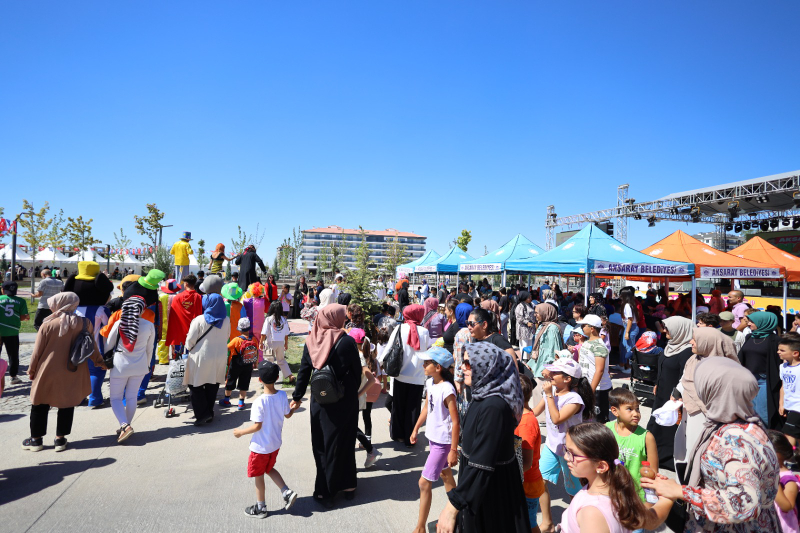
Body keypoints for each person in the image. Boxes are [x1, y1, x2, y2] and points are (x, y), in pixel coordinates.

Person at [642, 356, 781, 532]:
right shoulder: (743, 424)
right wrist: (673, 488)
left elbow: (744, 503)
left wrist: (681, 492)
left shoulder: (735, 439)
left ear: (713, 391)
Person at [435, 342, 529, 533]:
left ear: (489, 367)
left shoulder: (494, 407)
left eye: (469, 364)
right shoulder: (482, 396)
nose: (463, 367)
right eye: (463, 362)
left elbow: (482, 464)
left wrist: (453, 506)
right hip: (479, 488)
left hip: (492, 494)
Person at [291, 304, 361, 508]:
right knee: (344, 442)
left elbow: (304, 372)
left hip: (320, 401)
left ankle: (325, 491)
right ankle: (348, 486)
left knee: (323, 445)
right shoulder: (346, 342)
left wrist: (297, 397)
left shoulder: (311, 340)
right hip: (344, 400)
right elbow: (356, 375)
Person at [24, 293, 106, 452]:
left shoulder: (48, 324)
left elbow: (37, 352)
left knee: (39, 403)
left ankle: (36, 440)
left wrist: (32, 370)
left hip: (47, 370)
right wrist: (99, 362)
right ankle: (60, 440)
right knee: (67, 403)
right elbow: (92, 346)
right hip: (72, 369)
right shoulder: (85, 323)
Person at [560, 423, 674, 533]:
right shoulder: (618, 490)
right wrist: (667, 498)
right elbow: (650, 521)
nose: (565, 457)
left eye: (572, 453)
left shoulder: (592, 513)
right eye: (566, 450)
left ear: (601, 466)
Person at [533, 357, 595, 533]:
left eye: (555, 372)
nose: (550, 374)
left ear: (567, 379)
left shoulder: (574, 399)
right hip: (553, 448)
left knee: (574, 490)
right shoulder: (552, 392)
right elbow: (535, 412)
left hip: (571, 451)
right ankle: (548, 522)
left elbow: (557, 419)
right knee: (539, 482)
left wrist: (549, 396)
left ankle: (579, 524)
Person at [233, 360, 299, 519]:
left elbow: (257, 427)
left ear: (260, 380)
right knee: (268, 468)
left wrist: (241, 432)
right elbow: (287, 415)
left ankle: (260, 508)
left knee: (259, 475)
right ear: (277, 378)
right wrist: (294, 407)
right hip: (275, 445)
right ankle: (286, 492)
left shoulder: (259, 402)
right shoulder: (283, 395)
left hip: (260, 448)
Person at [411, 346, 459, 533]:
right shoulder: (431, 383)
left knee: (424, 483)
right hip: (433, 438)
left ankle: (420, 527)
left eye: (427, 363)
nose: (423, 365)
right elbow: (426, 409)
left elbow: (456, 422)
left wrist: (453, 450)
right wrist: (416, 428)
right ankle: (459, 510)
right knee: (446, 476)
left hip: (443, 442)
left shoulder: (447, 389)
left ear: (438, 367)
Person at [106, 295, 156, 443]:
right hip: (140, 365)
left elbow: (108, 345)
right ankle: (125, 426)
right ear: (141, 310)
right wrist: (147, 366)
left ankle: (124, 425)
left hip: (120, 365)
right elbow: (150, 349)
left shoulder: (119, 323)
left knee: (115, 397)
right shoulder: (149, 325)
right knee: (131, 397)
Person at [386, 304, 431, 447]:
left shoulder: (399, 328)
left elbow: (389, 348)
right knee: (413, 408)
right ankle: (409, 437)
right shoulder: (424, 332)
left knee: (398, 406)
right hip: (417, 376)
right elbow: (426, 351)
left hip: (400, 374)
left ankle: (397, 434)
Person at [183, 291, 231, 426]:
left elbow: (190, 340)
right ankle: (209, 411)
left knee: (195, 385)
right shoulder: (226, 319)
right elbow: (227, 336)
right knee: (213, 384)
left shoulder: (199, 320)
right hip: (219, 357)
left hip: (201, 357)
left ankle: (203, 414)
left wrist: (188, 347)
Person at [606, 388, 658, 502]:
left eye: (637, 409)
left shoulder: (646, 437)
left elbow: (653, 472)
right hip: (610, 491)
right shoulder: (606, 429)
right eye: (629, 409)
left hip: (636, 496)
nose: (636, 414)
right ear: (615, 411)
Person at [738, 311, 782, 428]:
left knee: (763, 413)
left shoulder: (775, 340)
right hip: (748, 380)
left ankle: (767, 438)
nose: (749, 324)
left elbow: (779, 362)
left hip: (764, 381)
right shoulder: (749, 337)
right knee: (749, 412)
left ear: (763, 322)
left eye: (752, 322)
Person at [515, 375, 545, 533]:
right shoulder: (522, 415)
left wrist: (509, 478)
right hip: (524, 480)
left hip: (527, 483)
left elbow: (526, 462)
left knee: (528, 523)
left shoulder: (526, 422)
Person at [576, 314, 613, 422]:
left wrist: (590, 391)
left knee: (599, 421)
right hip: (587, 386)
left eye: (584, 326)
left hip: (598, 390)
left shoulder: (599, 346)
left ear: (592, 328)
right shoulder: (587, 342)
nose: (582, 328)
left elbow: (600, 370)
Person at [767, 430, 800, 533]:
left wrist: (773, 483)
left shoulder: (788, 480)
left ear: (777, 453)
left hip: (785, 528)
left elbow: (787, 506)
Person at [222, 317, 258, 411]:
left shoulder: (236, 340)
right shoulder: (253, 339)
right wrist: (255, 363)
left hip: (236, 362)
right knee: (244, 382)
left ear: (240, 329)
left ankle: (226, 401)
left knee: (231, 380)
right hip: (248, 363)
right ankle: (241, 403)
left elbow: (227, 348)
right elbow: (256, 352)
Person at [0, 281, 29, 385]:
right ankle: (13, 376)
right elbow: (22, 317)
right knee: (13, 354)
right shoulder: (21, 301)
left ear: (3, 290)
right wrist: (25, 317)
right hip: (12, 331)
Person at [527, 303, 564, 380]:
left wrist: (549, 367)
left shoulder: (552, 328)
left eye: (537, 313)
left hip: (546, 368)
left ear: (545, 313)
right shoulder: (542, 326)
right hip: (539, 364)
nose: (535, 315)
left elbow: (555, 351)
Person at [260, 301, 294, 383]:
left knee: (268, 361)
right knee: (281, 360)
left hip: (270, 342)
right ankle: (290, 376)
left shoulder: (269, 319)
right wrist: (286, 343)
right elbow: (286, 334)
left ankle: (268, 379)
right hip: (280, 343)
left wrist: (261, 342)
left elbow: (264, 333)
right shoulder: (284, 320)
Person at [778, 333, 800, 446]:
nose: (778, 352)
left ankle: (786, 461)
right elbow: (783, 386)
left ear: (795, 353)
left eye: (782, 350)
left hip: (798, 408)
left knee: (788, 436)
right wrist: (781, 404)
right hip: (789, 407)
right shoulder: (783, 367)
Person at [620, 287, 638, 373]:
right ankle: (629, 366)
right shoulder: (631, 304)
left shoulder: (627, 305)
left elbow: (630, 319)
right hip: (630, 327)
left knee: (629, 348)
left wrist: (627, 332)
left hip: (630, 327)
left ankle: (631, 367)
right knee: (627, 346)